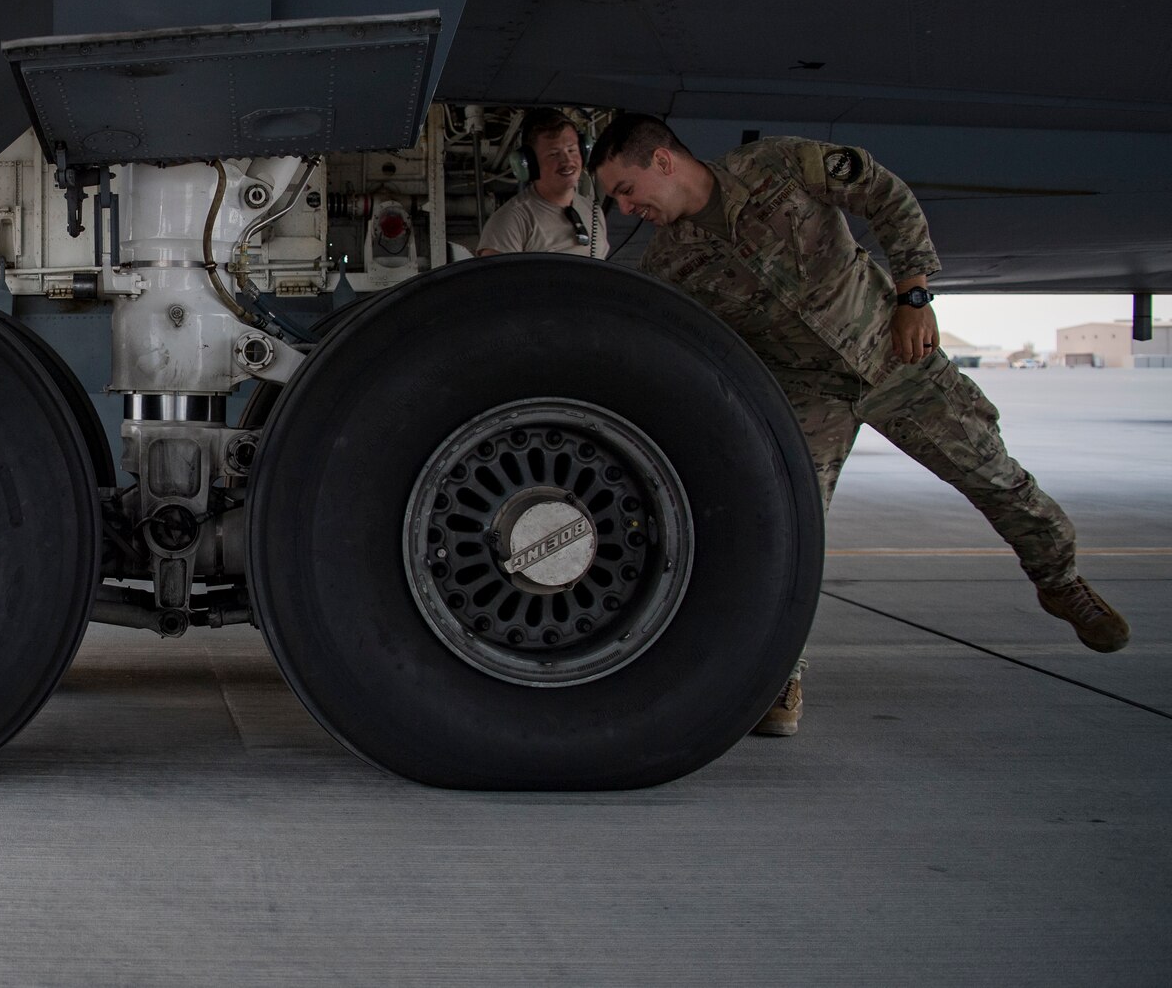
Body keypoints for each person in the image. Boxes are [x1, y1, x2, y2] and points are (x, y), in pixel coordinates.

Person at [587, 113, 1129, 736]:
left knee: (996, 478)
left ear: (662, 161)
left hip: (894, 352)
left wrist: (914, 295)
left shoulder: (778, 166)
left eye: (626, 190)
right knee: (791, 534)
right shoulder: (671, 264)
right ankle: (779, 672)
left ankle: (1061, 583)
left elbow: (886, 195)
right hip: (805, 392)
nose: (626, 209)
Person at [478, 109, 609, 259]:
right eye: (553, 154)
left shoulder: (593, 211)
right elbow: (493, 281)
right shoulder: (510, 221)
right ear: (530, 164)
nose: (567, 162)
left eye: (572, 150)